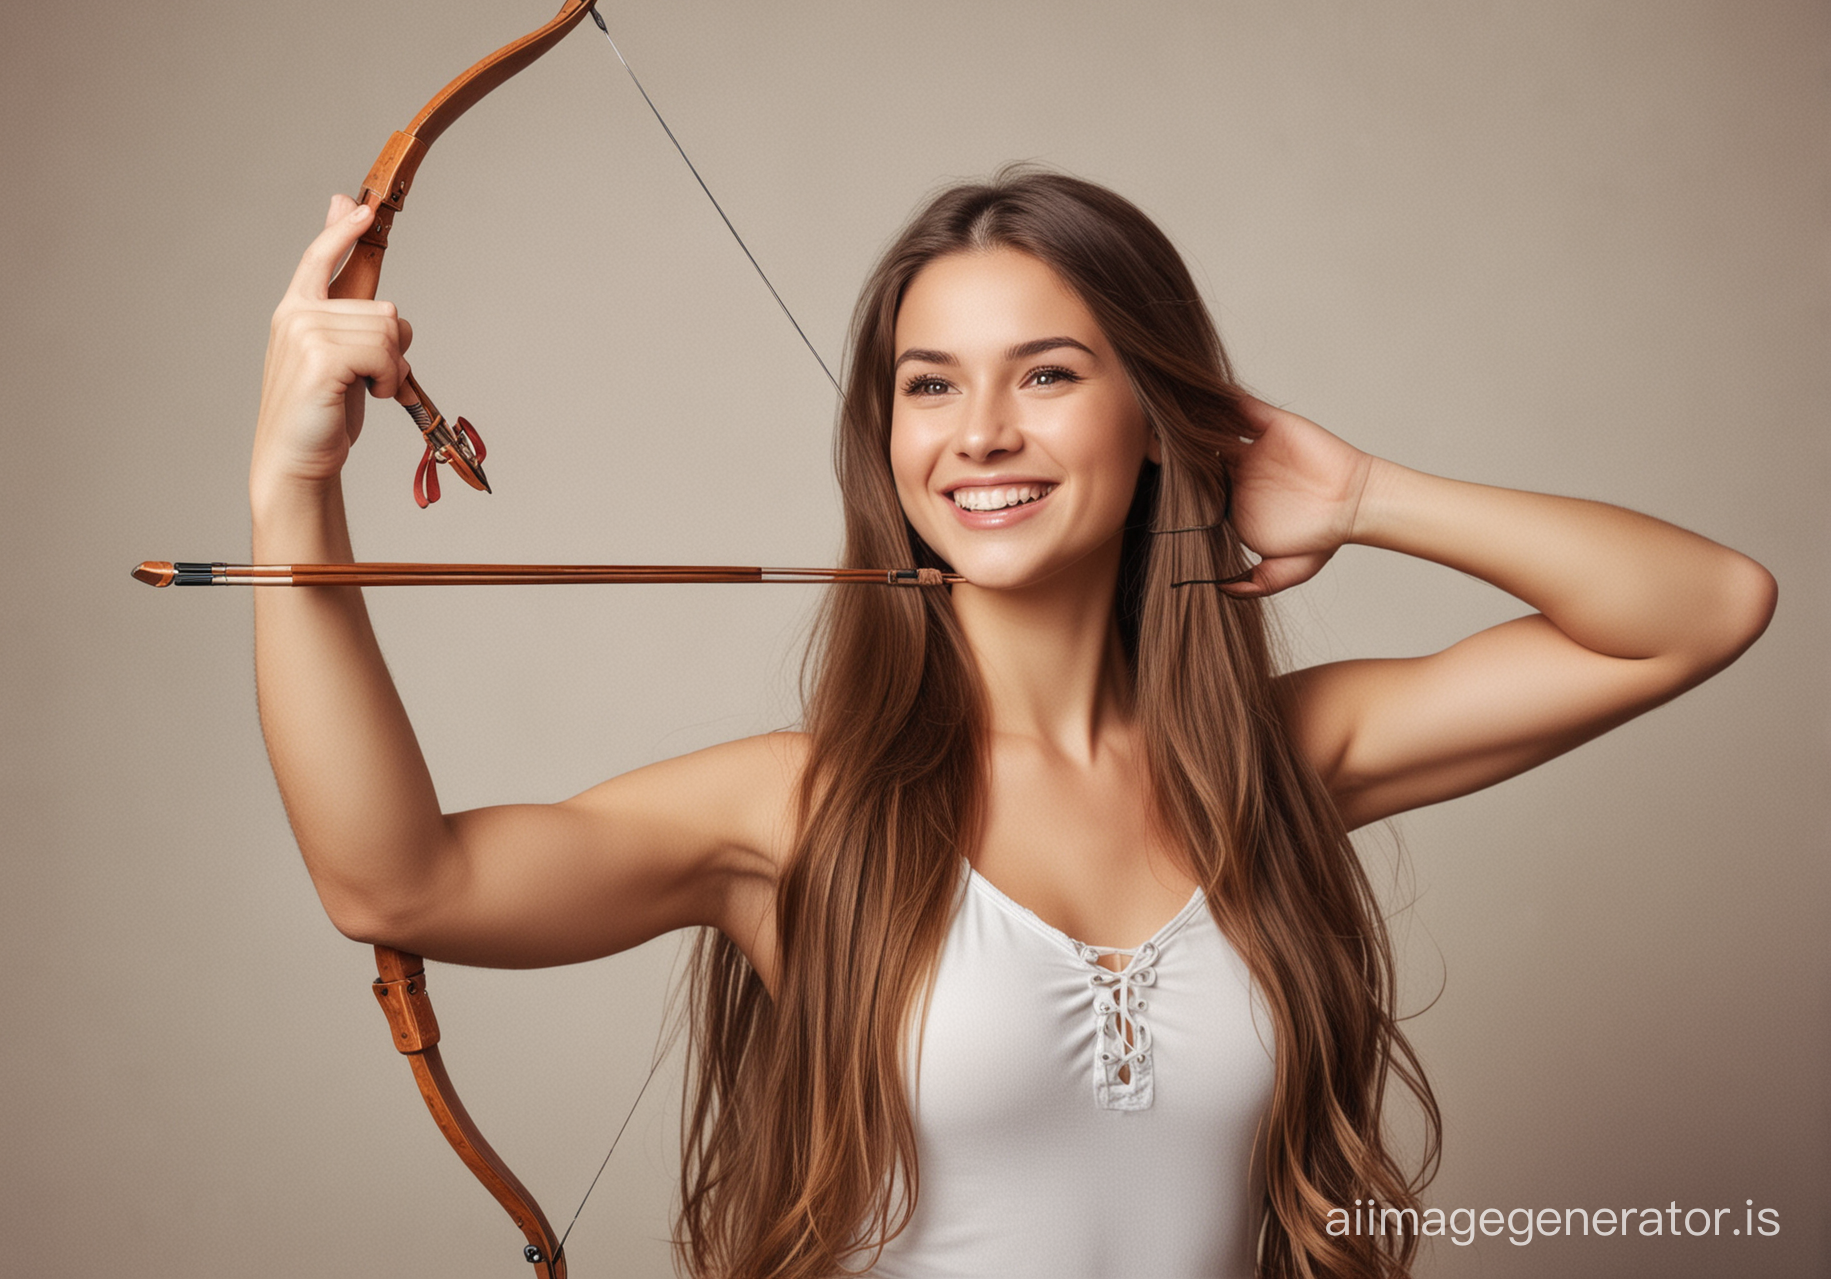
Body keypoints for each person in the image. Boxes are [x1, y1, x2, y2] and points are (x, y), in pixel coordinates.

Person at [251, 170, 1775, 1279]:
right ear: (890, 439)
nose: (981, 431)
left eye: (1049, 374)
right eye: (931, 386)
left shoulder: (1281, 768)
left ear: (1160, 416)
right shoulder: (798, 812)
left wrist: (1369, 496)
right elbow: (400, 883)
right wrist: (291, 485)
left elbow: (1702, 607)